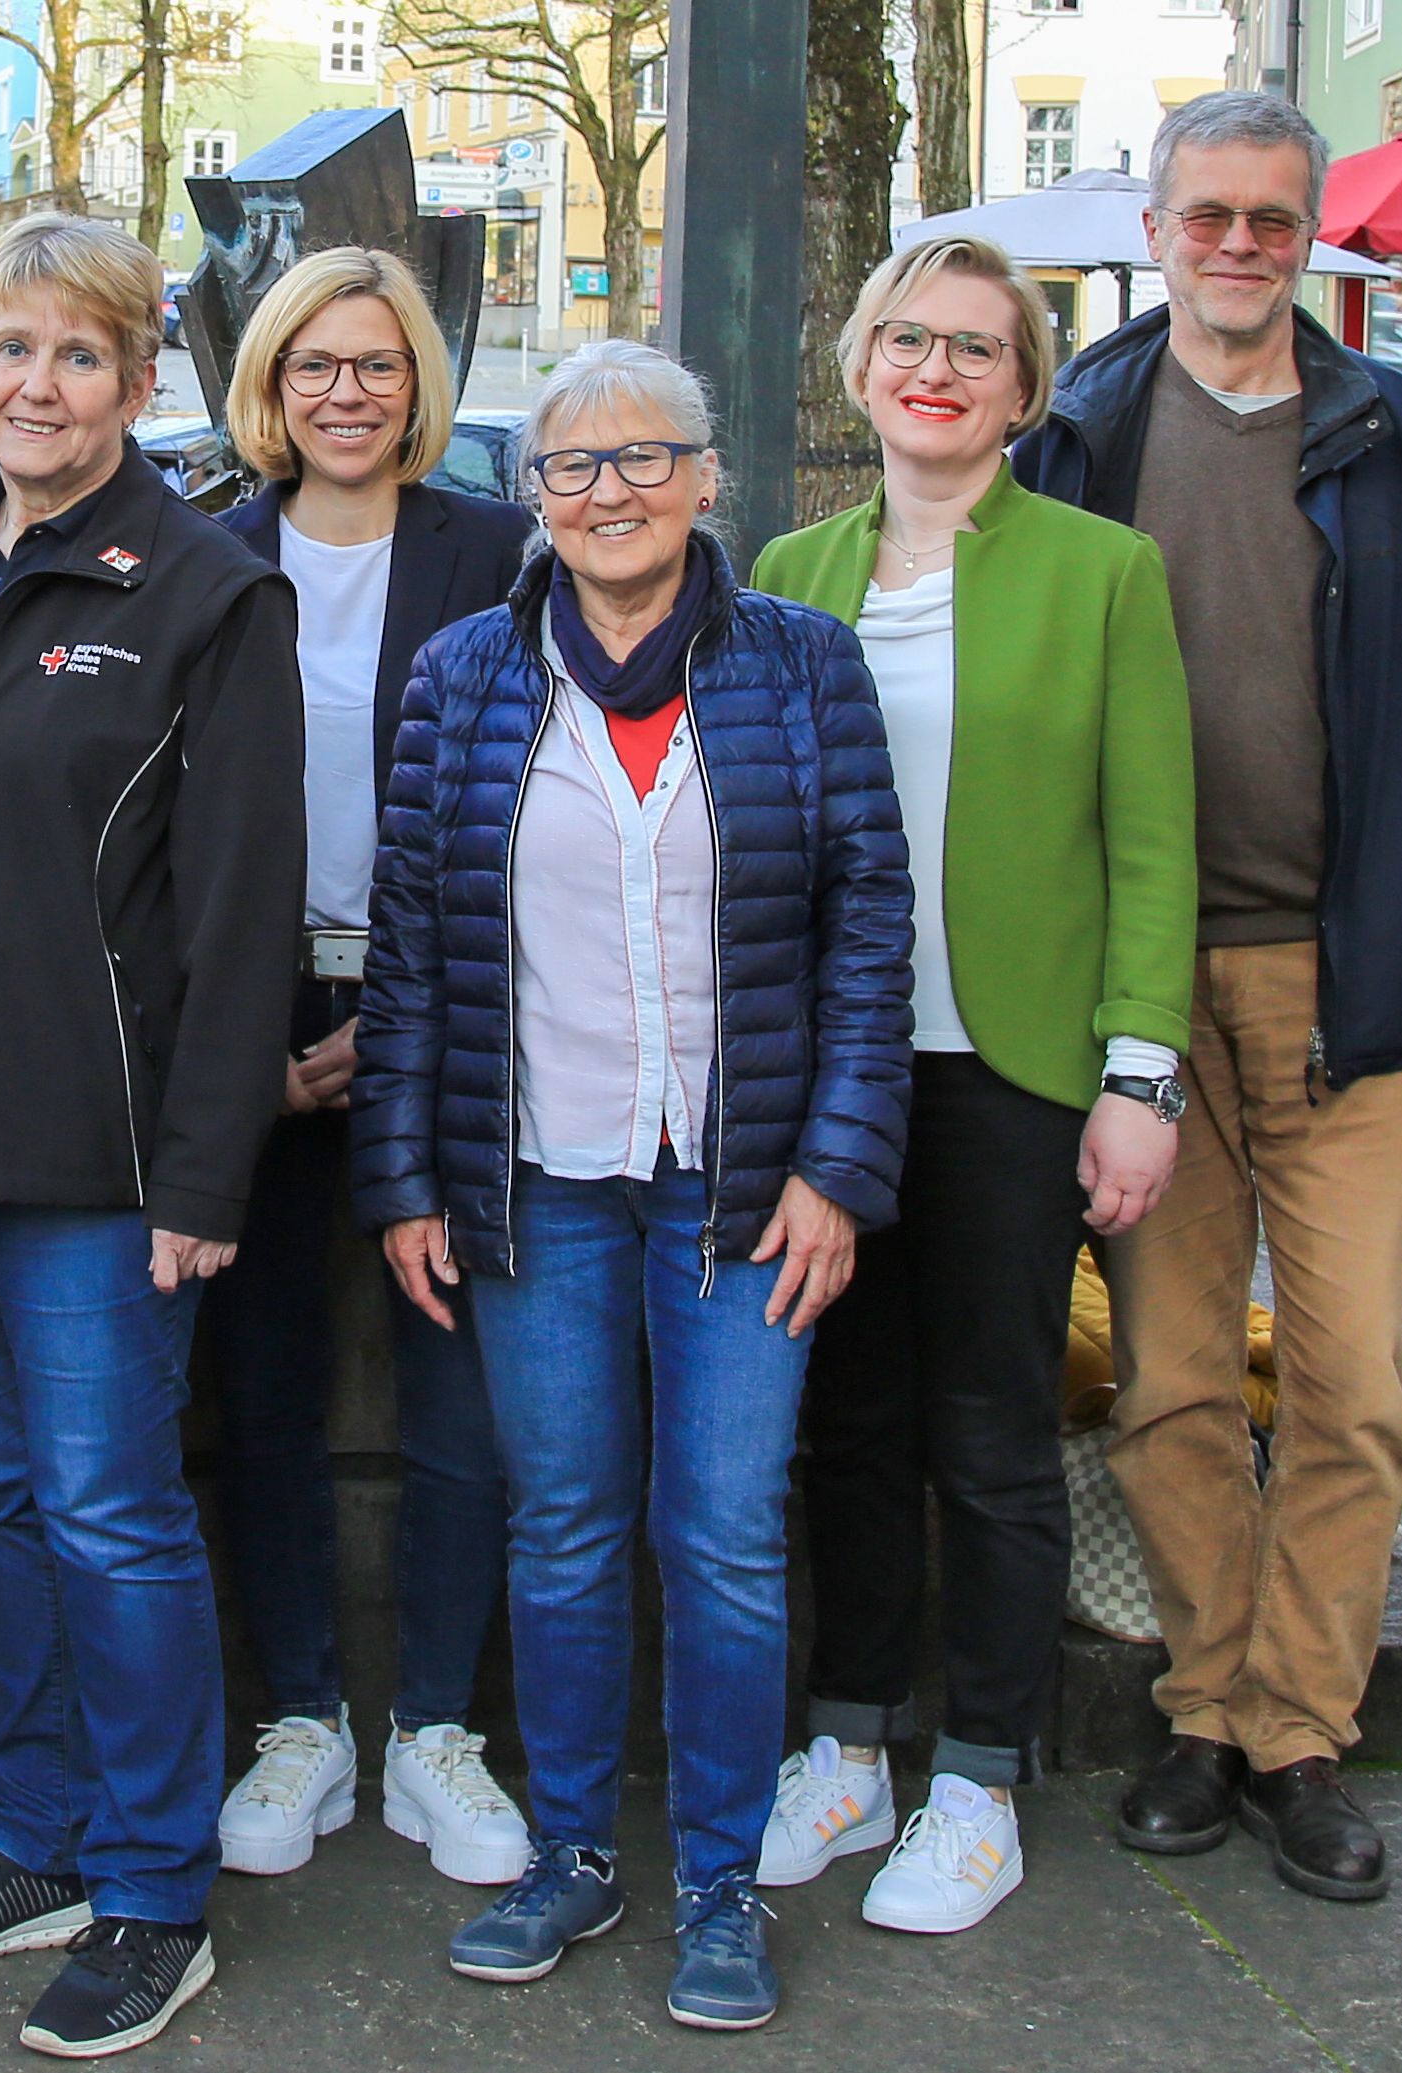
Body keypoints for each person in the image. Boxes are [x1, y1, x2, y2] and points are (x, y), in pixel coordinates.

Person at [354, 339, 914, 2031]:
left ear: (708, 479)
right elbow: (408, 955)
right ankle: (578, 1851)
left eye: (647, 457)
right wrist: (404, 1175)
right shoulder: (464, 673)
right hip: (537, 1173)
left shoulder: (802, 665)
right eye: (576, 466)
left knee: (729, 1532)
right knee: (569, 1522)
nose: (611, 492)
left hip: (739, 1187)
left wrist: (836, 1166)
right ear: (537, 498)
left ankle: (726, 1882)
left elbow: (869, 932)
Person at [1008, 89, 1402, 1903]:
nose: (1238, 246)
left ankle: (1303, 1725)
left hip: (1343, 972)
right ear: (1155, 228)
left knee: (1354, 1380)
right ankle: (1206, 1702)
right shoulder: (1076, 426)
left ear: (1311, 237)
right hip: (1135, 986)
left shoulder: (1390, 434)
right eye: (1208, 215)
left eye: (1271, 222)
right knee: (1161, 1376)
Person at [0, 213, 301, 2061]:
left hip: (102, 1167)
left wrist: (202, 1173)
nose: (37, 384)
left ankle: (156, 1889)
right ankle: (37, 1836)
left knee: (111, 1514)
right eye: (8, 348)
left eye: (79, 354)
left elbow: (245, 911)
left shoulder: (200, 592)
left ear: (141, 376)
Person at [754, 235, 1197, 1934]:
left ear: (1022, 387)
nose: (936, 368)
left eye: (976, 347)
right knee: (847, 1422)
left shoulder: (1101, 573)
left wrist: (1139, 1074)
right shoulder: (791, 568)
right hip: (835, 1074)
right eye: (907, 338)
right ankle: (852, 1739)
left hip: (1018, 1066)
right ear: (862, 364)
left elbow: (1155, 842)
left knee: (995, 1430)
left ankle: (985, 1773)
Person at [199, 247, 532, 1887]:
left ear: (420, 386)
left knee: (456, 1378)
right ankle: (305, 1720)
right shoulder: (206, 552)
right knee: (257, 1386)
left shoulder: (491, 550)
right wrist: (259, 1046)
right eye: (317, 363)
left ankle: (439, 1731)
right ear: (270, 381)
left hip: (445, 1013)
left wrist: (398, 1020)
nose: (347, 390)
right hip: (252, 1032)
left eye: (379, 363)